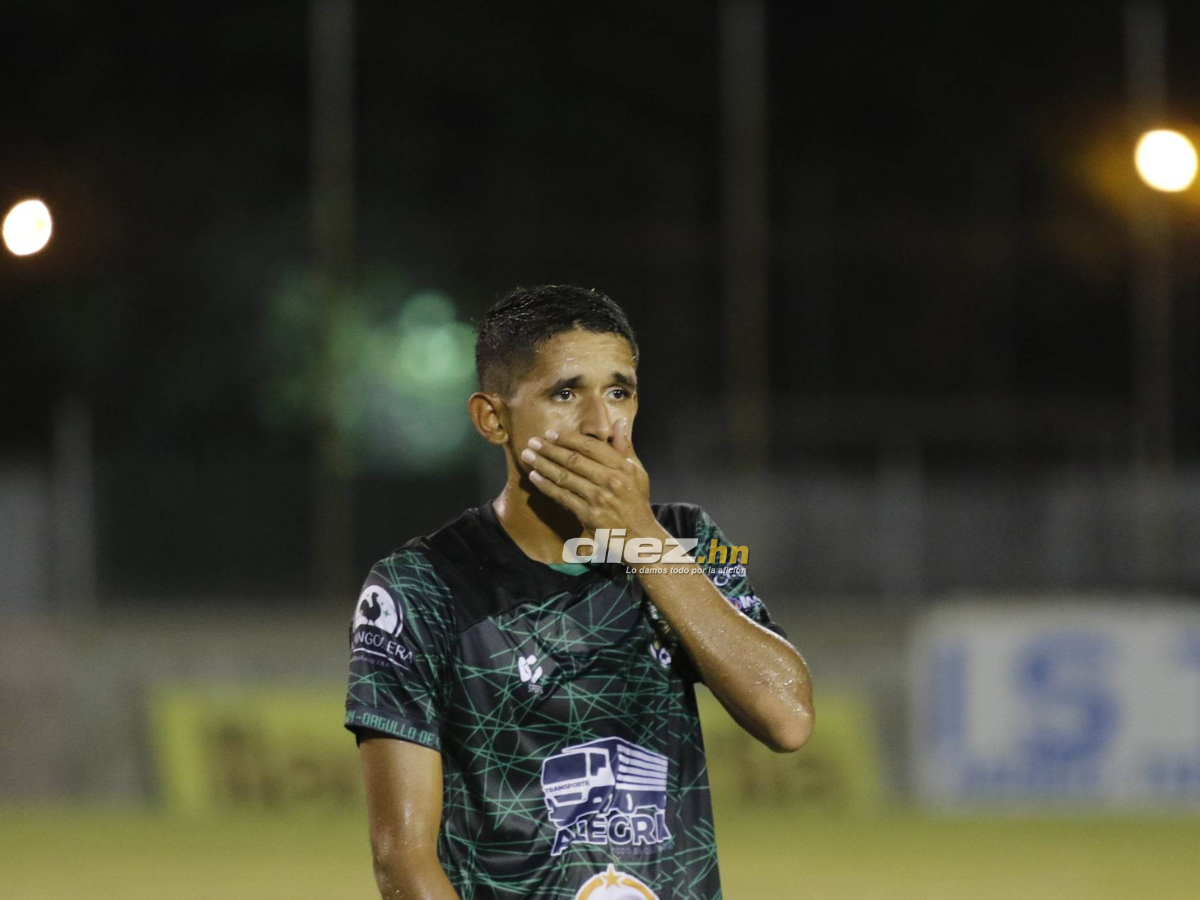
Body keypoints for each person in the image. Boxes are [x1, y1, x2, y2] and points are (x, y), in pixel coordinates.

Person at [344, 284, 814, 900]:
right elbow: (402, 860)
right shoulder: (418, 586)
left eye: (619, 392)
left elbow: (788, 719)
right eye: (565, 393)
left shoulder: (684, 541)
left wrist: (642, 537)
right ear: (494, 419)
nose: (601, 425)